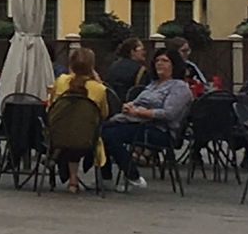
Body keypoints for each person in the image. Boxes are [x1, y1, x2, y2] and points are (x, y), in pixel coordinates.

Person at [101, 49, 193, 189]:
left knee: (110, 136)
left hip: (160, 130)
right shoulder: (153, 84)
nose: (159, 63)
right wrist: (129, 106)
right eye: (157, 60)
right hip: (137, 122)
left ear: (174, 65)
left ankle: (133, 175)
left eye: (165, 61)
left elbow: (169, 114)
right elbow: (137, 102)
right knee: (101, 131)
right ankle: (105, 177)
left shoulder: (179, 87)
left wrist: (140, 112)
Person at [47, 46, 109, 193]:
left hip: (58, 137)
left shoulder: (61, 81)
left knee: (69, 129)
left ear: (71, 64)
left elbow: (50, 107)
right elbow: (104, 114)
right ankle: (76, 180)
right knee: (81, 130)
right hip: (87, 139)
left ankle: (71, 179)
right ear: (92, 66)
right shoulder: (99, 89)